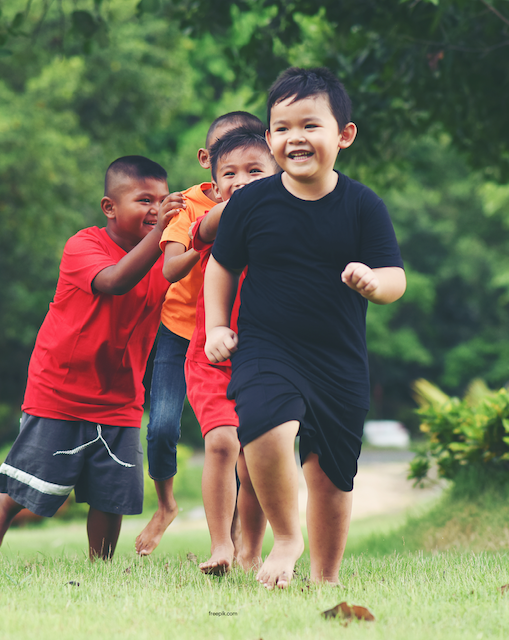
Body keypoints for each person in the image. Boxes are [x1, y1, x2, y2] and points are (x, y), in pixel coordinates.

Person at [204, 67, 406, 589]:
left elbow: (395, 277)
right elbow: (220, 266)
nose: (295, 137)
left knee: (332, 476)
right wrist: (216, 327)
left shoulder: (363, 205)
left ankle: (327, 578)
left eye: (310, 125)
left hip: (339, 357)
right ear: (270, 139)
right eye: (282, 127)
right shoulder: (250, 202)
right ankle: (287, 537)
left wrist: (372, 282)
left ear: (343, 134)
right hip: (267, 346)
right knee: (265, 425)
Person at [0, 156, 185, 561]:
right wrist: (161, 232)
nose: (156, 209)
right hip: (61, 385)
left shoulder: (166, 259)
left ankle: (100, 565)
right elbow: (115, 281)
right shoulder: (83, 245)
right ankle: (3, 506)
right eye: (144, 200)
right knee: (42, 475)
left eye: (162, 200)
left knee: (114, 487)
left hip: (122, 391)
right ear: (109, 208)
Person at [135, 111, 265, 557]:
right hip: (181, 331)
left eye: (253, 163)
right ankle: (167, 505)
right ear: (208, 161)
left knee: (240, 440)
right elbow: (170, 268)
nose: (241, 173)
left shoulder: (270, 201)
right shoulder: (189, 206)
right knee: (163, 427)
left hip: (240, 332)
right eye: (228, 163)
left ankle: (236, 535)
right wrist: (208, 236)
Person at [185, 125, 280, 575]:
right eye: (230, 173)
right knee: (222, 443)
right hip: (212, 357)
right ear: (216, 182)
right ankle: (221, 545)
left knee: (256, 455)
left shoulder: (287, 224)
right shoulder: (216, 217)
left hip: (264, 358)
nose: (240, 180)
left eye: (254, 171)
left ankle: (252, 549)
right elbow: (203, 227)